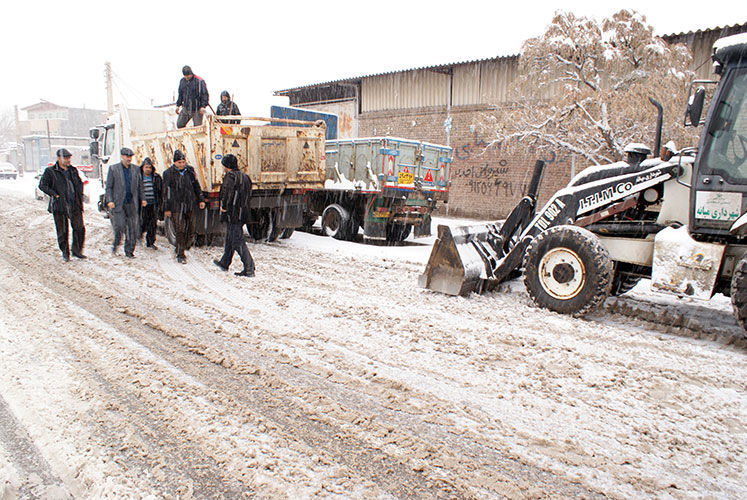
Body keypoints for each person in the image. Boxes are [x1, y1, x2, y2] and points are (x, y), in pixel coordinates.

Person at [38, 148, 86, 261]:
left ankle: (77, 251)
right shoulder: (50, 171)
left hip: (74, 204)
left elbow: (79, 183)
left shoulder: (73, 170)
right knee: (62, 231)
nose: (68, 160)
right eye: (66, 158)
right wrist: (54, 195)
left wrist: (79, 195)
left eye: (69, 158)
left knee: (79, 228)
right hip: (60, 205)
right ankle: (65, 252)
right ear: (59, 158)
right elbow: (42, 185)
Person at [213, 154, 255, 277]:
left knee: (237, 240)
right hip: (243, 212)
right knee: (230, 237)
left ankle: (249, 267)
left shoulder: (230, 177)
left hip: (233, 213)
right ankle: (224, 263)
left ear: (227, 166)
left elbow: (227, 193)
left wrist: (224, 207)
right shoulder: (245, 177)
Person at [162, 150, 205, 264]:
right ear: (174, 162)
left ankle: (184, 245)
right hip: (176, 206)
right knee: (179, 230)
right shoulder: (168, 173)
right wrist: (166, 208)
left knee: (191, 228)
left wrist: (200, 199)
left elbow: (196, 185)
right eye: (179, 162)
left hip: (189, 204)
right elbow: (166, 191)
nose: (181, 165)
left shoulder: (189, 171)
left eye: (183, 162)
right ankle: (181, 254)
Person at [106, 147, 146, 258]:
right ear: (122, 156)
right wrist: (110, 200)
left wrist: (143, 198)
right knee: (119, 226)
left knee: (133, 228)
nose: (129, 159)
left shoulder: (136, 169)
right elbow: (109, 187)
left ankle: (129, 251)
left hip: (131, 203)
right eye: (127, 156)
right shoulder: (113, 169)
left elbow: (140, 186)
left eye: (130, 157)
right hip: (119, 203)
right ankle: (116, 244)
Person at [139, 157, 163, 249]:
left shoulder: (156, 177)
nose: (148, 169)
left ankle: (150, 242)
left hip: (153, 204)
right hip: (142, 205)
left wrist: (160, 203)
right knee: (142, 222)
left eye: (149, 167)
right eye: (146, 167)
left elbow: (161, 190)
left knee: (152, 224)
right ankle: (138, 239)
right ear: (142, 168)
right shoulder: (138, 177)